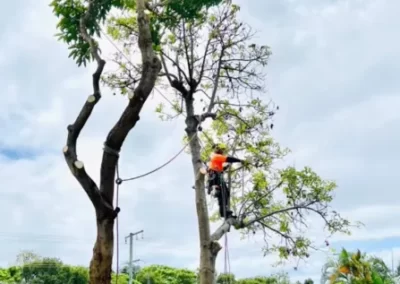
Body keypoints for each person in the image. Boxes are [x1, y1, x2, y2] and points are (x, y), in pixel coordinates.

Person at [207, 144, 244, 219]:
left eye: (222, 150)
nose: (222, 151)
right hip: (215, 177)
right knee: (223, 193)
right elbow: (228, 158)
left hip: (217, 176)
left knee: (225, 193)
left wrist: (226, 167)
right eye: (221, 149)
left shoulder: (217, 161)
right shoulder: (216, 156)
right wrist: (240, 160)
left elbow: (221, 169)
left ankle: (224, 212)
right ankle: (223, 212)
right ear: (218, 149)